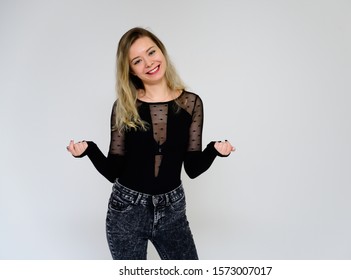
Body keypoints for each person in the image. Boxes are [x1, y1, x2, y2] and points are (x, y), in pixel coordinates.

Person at [67, 27, 235, 260]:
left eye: (151, 52)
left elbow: (193, 168)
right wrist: (90, 150)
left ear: (162, 52)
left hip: (172, 211)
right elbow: (113, 170)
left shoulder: (191, 103)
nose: (148, 63)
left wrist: (214, 150)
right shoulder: (125, 107)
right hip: (127, 211)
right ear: (131, 70)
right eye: (137, 60)